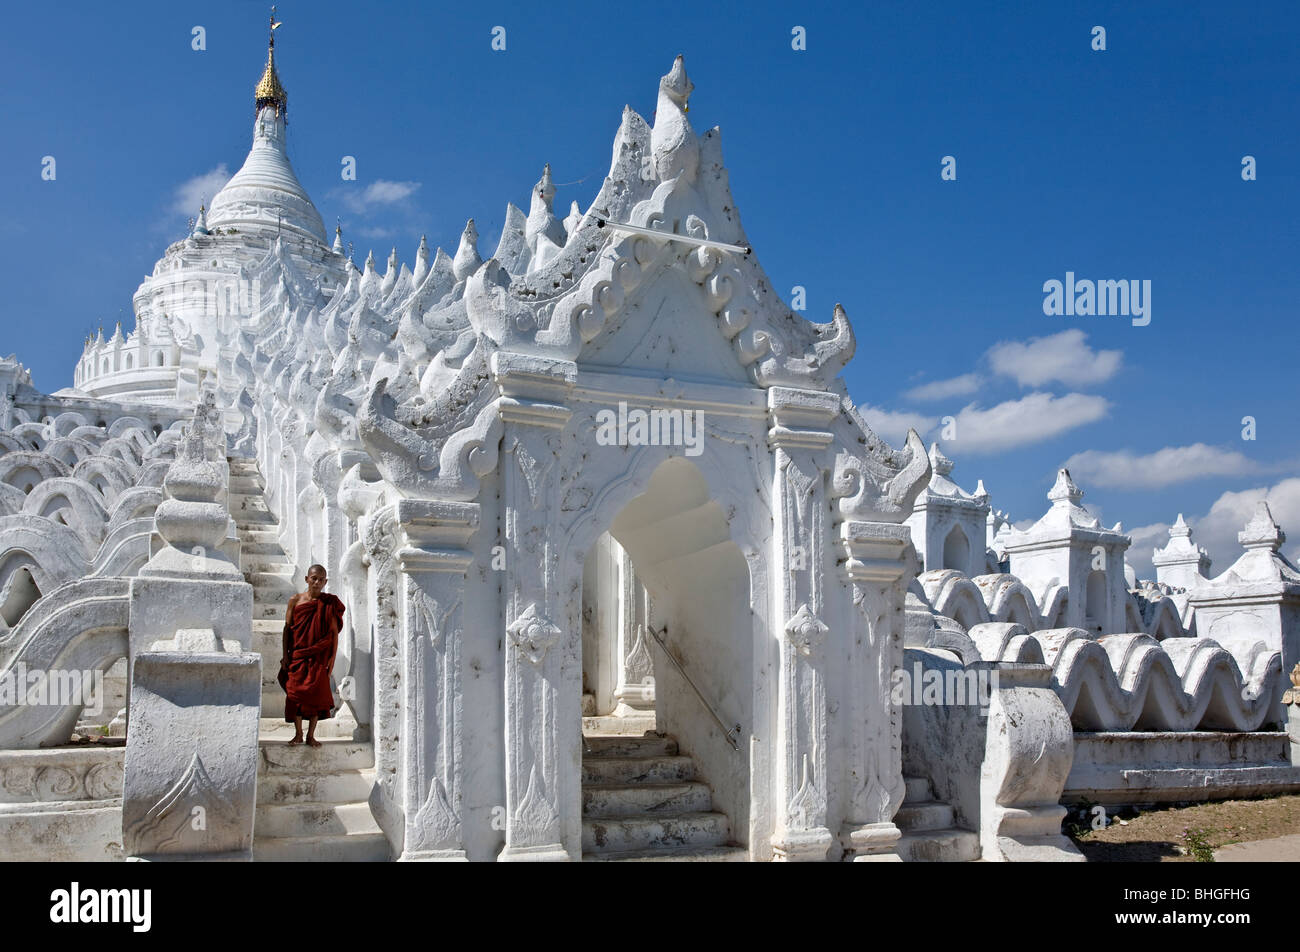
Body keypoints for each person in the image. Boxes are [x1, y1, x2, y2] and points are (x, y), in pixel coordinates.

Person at [278, 564, 345, 747]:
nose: (317, 582)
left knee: (316, 695)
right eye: (314, 578)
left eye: (321, 579)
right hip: (298, 655)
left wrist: (331, 661)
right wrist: (285, 655)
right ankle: (298, 733)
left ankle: (311, 735)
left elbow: (333, 635)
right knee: (295, 694)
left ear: (325, 582)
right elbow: (287, 629)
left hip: (318, 657)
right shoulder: (295, 600)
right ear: (307, 579)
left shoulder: (329, 603)